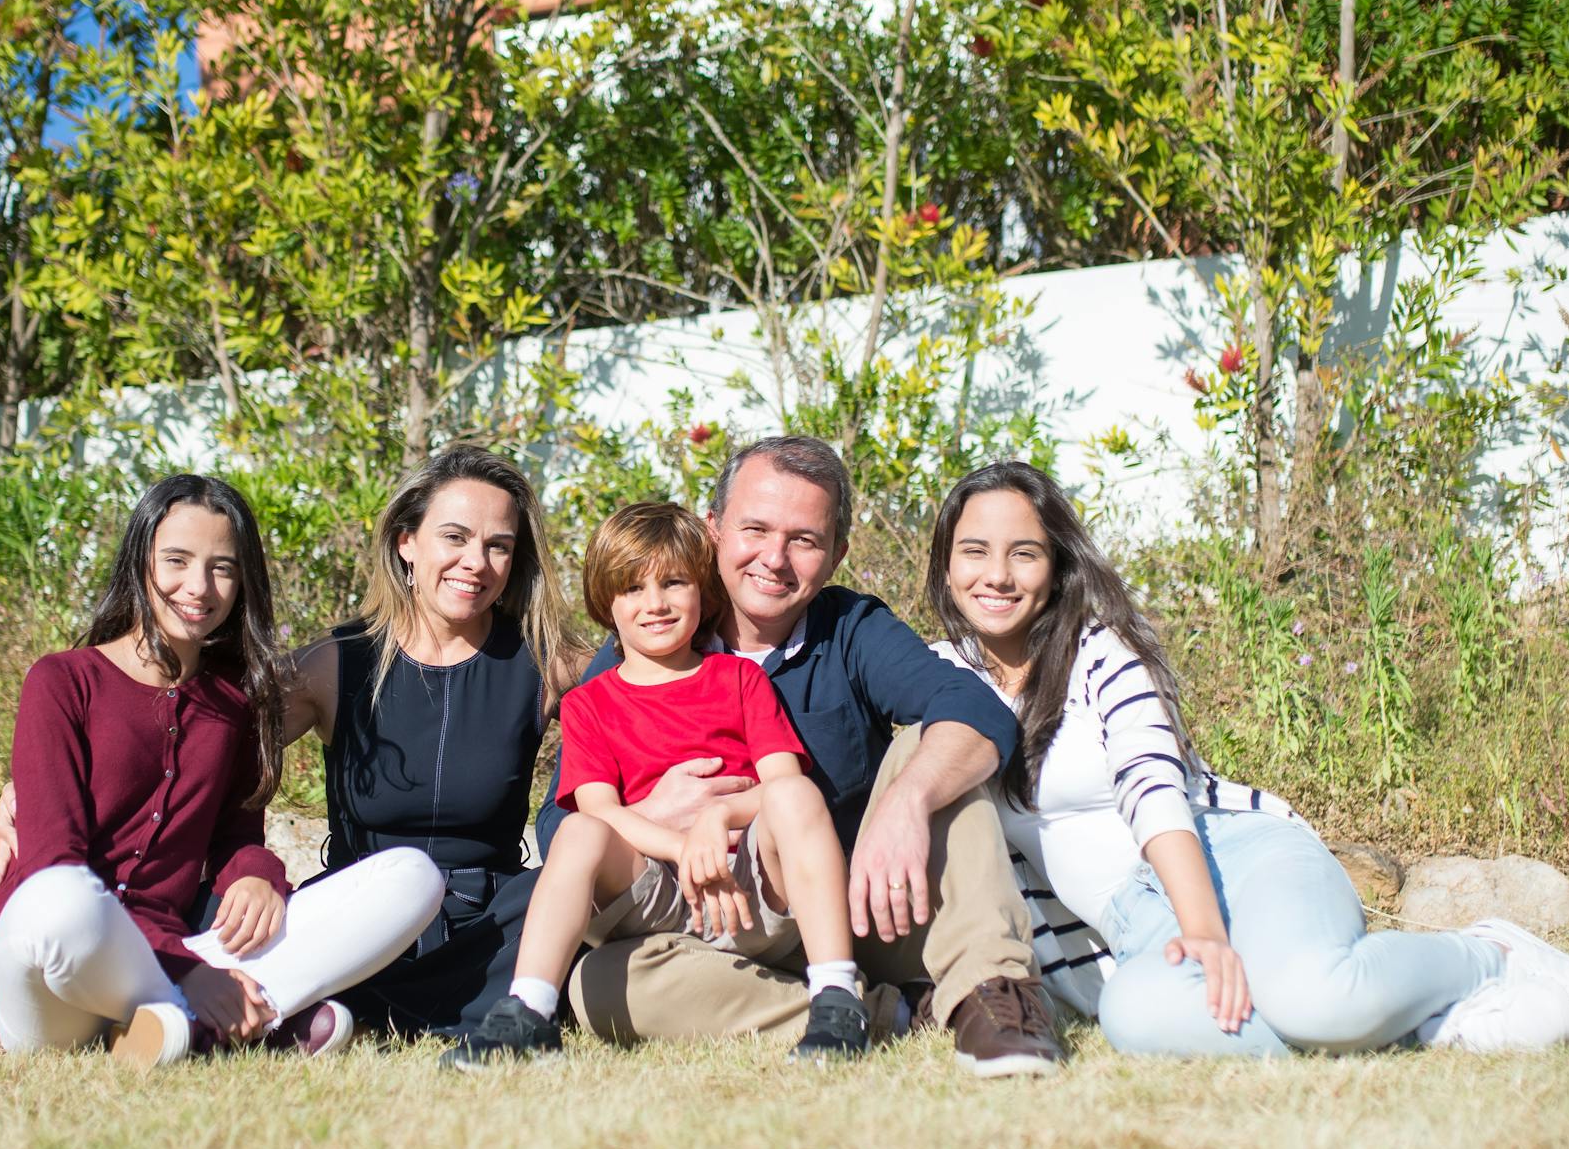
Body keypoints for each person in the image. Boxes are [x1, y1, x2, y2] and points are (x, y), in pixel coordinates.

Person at [925, 458, 1569, 1057]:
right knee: (1131, 1019)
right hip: (1131, 926)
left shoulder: (1102, 650)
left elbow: (1151, 787)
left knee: (1313, 1000)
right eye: (974, 552)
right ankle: (1416, 1021)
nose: (998, 576)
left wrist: (1201, 927)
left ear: (1058, 566)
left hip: (1228, 857)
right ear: (946, 565)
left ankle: (1484, 954)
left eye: (1025, 554)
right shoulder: (936, 674)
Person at [530, 435, 1064, 1074]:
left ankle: (996, 996)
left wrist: (906, 801)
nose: (774, 559)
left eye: (804, 540)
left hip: (848, 910)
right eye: (755, 529)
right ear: (715, 530)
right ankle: (886, 1011)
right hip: (701, 928)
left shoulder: (853, 630)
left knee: (934, 743)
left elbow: (973, 709)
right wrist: (657, 814)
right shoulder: (645, 642)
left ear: (836, 554)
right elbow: (562, 824)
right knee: (600, 989)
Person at [0, 474, 445, 1065]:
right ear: (138, 561)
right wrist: (187, 969)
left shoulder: (233, 702)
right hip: (50, 978)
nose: (198, 587)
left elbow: (236, 833)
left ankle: (171, 1027)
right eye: (176, 560)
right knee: (62, 899)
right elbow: (53, 864)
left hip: (176, 942)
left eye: (222, 567)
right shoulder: (62, 682)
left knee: (413, 878)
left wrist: (254, 873)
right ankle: (217, 1012)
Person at [453, 501, 865, 1065]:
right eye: (632, 588)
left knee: (797, 795)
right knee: (578, 832)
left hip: (745, 883)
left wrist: (716, 821)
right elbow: (601, 810)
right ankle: (527, 1011)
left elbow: (781, 783)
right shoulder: (589, 703)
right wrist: (681, 845)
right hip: (654, 895)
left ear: (702, 590)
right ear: (607, 601)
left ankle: (837, 998)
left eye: (674, 583)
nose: (655, 604)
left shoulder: (738, 678)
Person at [283, 444, 582, 1039]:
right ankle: (414, 1008)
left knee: (565, 901)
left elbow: (651, 708)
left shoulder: (548, 665)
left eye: (498, 545)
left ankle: (355, 1014)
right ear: (406, 542)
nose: (477, 562)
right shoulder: (333, 666)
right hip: (363, 919)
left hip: (490, 924)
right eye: (454, 537)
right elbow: (217, 753)